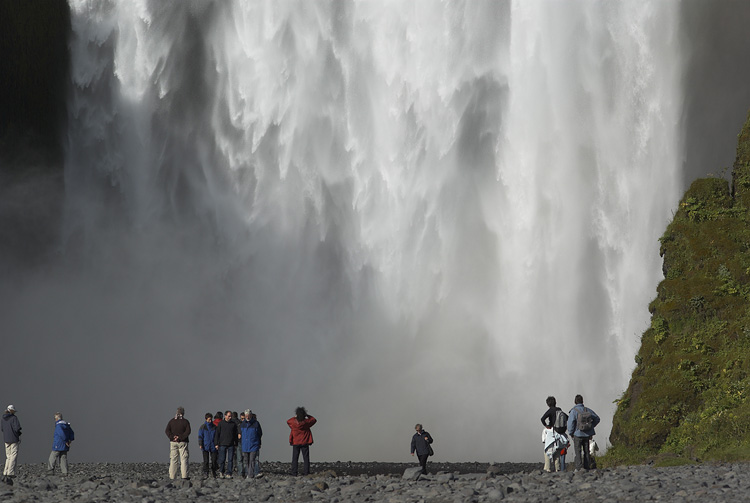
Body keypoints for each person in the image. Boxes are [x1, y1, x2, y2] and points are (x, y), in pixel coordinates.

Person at [567, 395, 600, 471]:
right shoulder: (587, 410)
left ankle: (579, 468)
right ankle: (587, 466)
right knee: (586, 451)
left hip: (577, 434)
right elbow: (597, 418)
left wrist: (571, 432)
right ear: (582, 401)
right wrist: (591, 427)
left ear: (575, 402)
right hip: (587, 434)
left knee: (578, 451)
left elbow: (571, 423)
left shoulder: (574, 411)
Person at [287, 407, 316, 476]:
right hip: (305, 442)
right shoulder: (306, 422)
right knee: (306, 458)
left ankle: (294, 473)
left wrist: (295, 417)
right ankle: (306, 472)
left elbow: (288, 421)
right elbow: (314, 420)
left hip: (296, 442)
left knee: (295, 458)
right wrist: (307, 415)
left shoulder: (293, 423)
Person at [540, 396, 567, 471]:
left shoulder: (550, 410)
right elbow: (566, 417)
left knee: (548, 450)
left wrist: (547, 426)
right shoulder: (559, 410)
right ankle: (557, 469)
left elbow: (542, 419)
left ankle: (547, 468)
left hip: (551, 432)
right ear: (555, 402)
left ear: (548, 404)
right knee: (557, 452)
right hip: (559, 432)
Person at [165, 407, 191, 480]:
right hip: (183, 442)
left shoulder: (172, 421)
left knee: (173, 460)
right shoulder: (185, 422)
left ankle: (172, 477)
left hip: (173, 442)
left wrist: (173, 437)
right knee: (184, 459)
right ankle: (184, 476)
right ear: (183, 413)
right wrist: (180, 437)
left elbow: (167, 431)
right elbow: (188, 431)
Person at [215, 410, 239, 478]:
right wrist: (216, 443)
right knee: (222, 459)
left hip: (231, 444)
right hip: (222, 444)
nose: (230, 417)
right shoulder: (221, 423)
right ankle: (221, 472)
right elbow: (217, 434)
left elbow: (235, 434)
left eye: (230, 416)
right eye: (228, 416)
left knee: (230, 460)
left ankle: (229, 473)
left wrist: (236, 443)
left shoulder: (233, 424)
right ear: (225, 416)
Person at [1, 405, 21, 483]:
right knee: (13, 455)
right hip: (14, 439)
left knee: (8, 456)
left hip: (6, 439)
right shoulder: (14, 418)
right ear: (12, 411)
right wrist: (19, 433)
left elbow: (2, 429)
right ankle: (11, 472)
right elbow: (17, 428)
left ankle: (5, 472)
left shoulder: (3, 418)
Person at [240, 409, 263, 478]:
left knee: (252, 460)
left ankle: (250, 475)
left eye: (248, 415)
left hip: (253, 444)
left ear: (251, 415)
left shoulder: (256, 423)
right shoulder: (242, 424)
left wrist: (258, 442)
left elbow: (260, 433)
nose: (247, 417)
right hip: (245, 445)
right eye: (246, 415)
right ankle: (249, 473)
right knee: (246, 460)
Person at [198, 413, 218, 478]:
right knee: (206, 461)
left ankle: (214, 471)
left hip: (213, 445)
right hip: (205, 446)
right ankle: (206, 472)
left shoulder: (214, 427)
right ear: (206, 419)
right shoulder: (203, 427)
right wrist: (200, 444)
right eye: (209, 419)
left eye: (211, 419)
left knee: (214, 460)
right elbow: (200, 436)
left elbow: (216, 436)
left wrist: (217, 444)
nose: (210, 421)